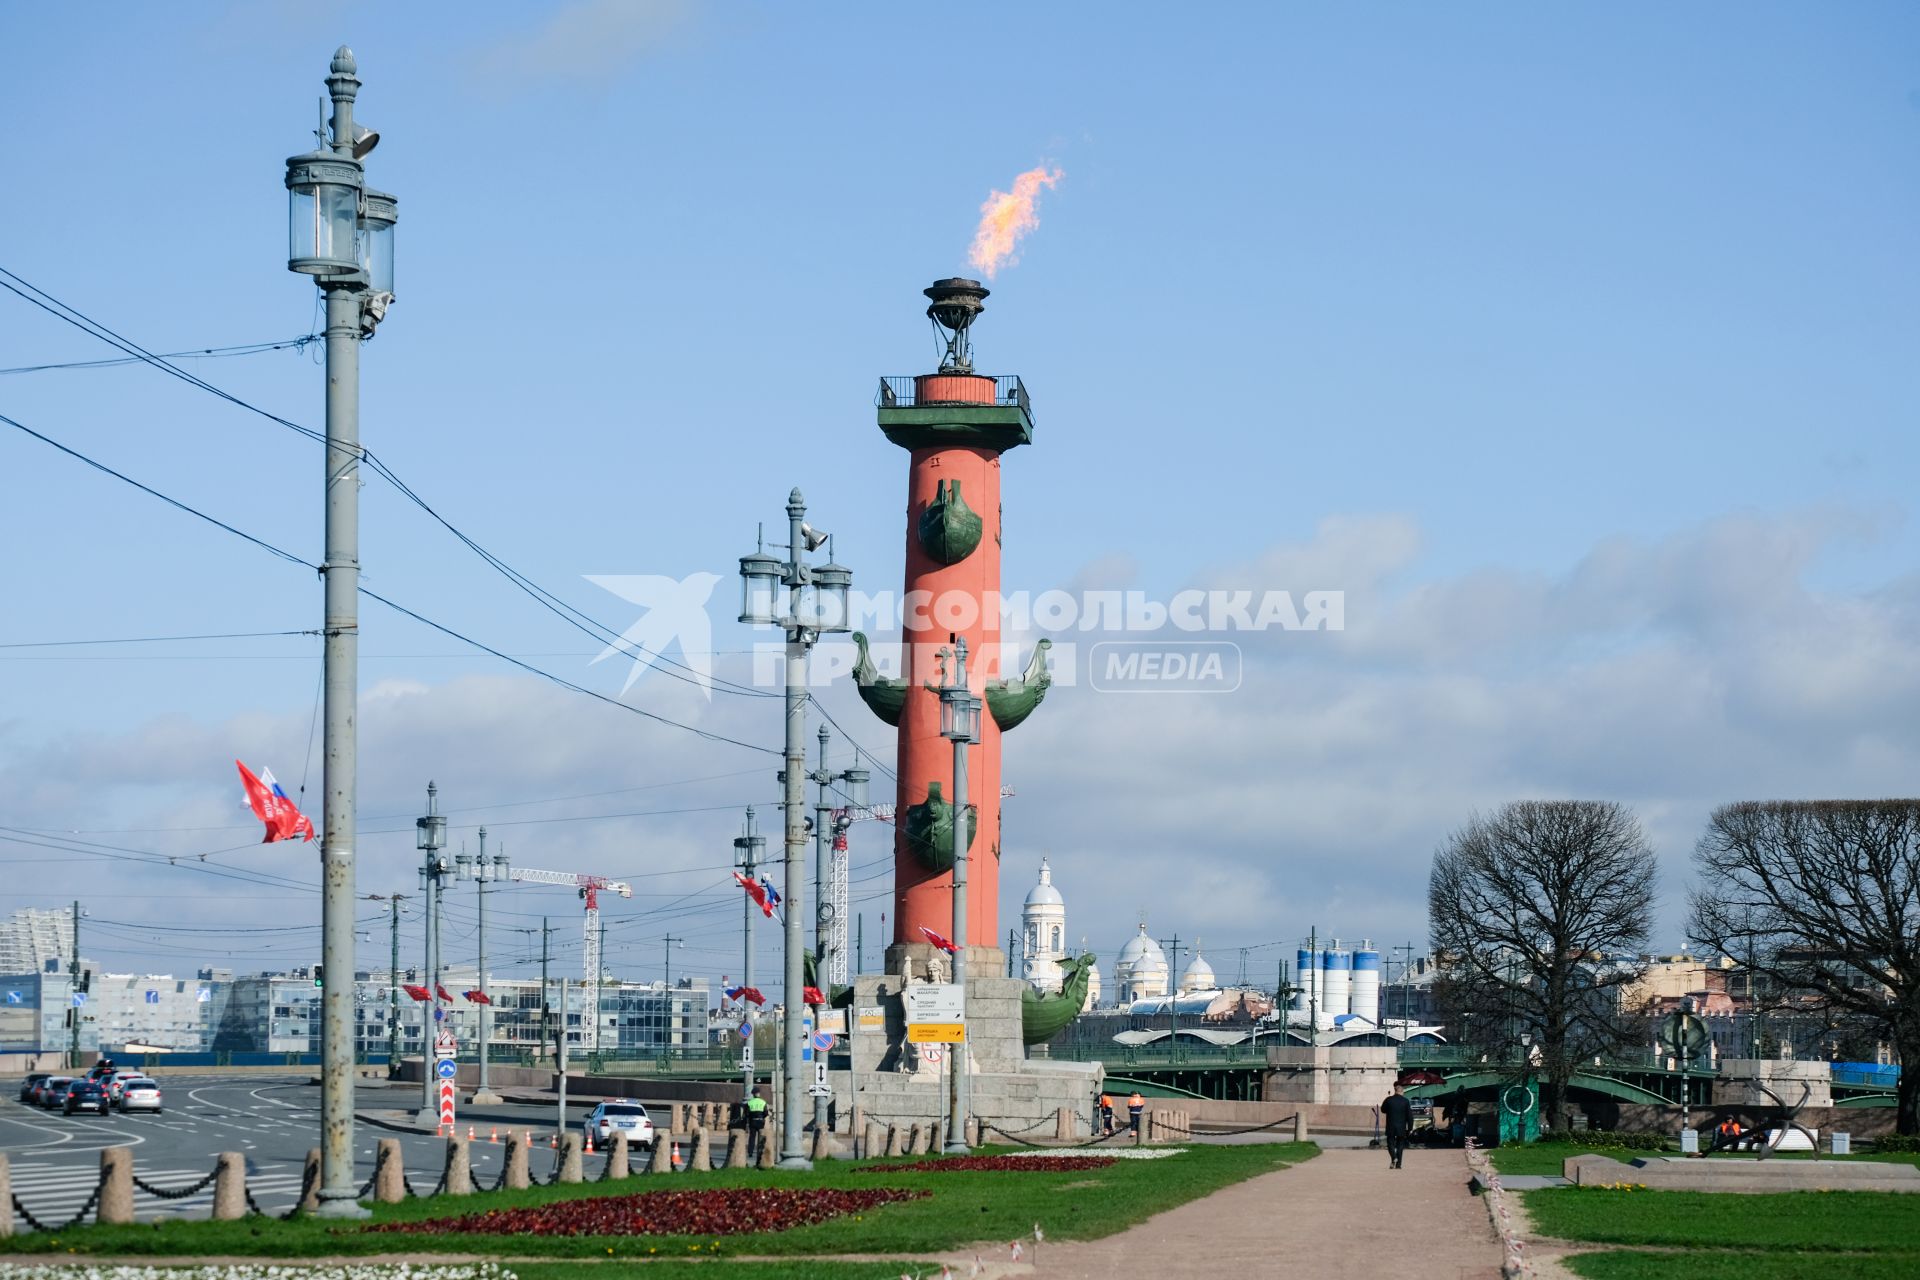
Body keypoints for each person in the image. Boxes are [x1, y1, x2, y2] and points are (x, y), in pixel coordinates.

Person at [1381, 1083, 1414, 1169]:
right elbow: (1410, 1116)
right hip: (1401, 1127)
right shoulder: (1406, 1101)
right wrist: (1410, 1128)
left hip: (1391, 1126)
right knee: (1400, 1145)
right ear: (1402, 1092)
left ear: (1395, 1091)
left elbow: (1382, 1110)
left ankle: (1394, 1157)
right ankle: (1398, 1165)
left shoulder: (1388, 1100)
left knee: (1390, 1143)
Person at [744, 1086, 769, 1161]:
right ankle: (760, 1151)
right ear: (759, 1094)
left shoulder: (749, 1102)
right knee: (761, 1137)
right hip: (761, 1121)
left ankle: (750, 1152)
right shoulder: (763, 1102)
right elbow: (766, 1113)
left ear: (753, 1094)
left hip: (752, 1121)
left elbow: (747, 1113)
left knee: (752, 1137)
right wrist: (762, 1116)